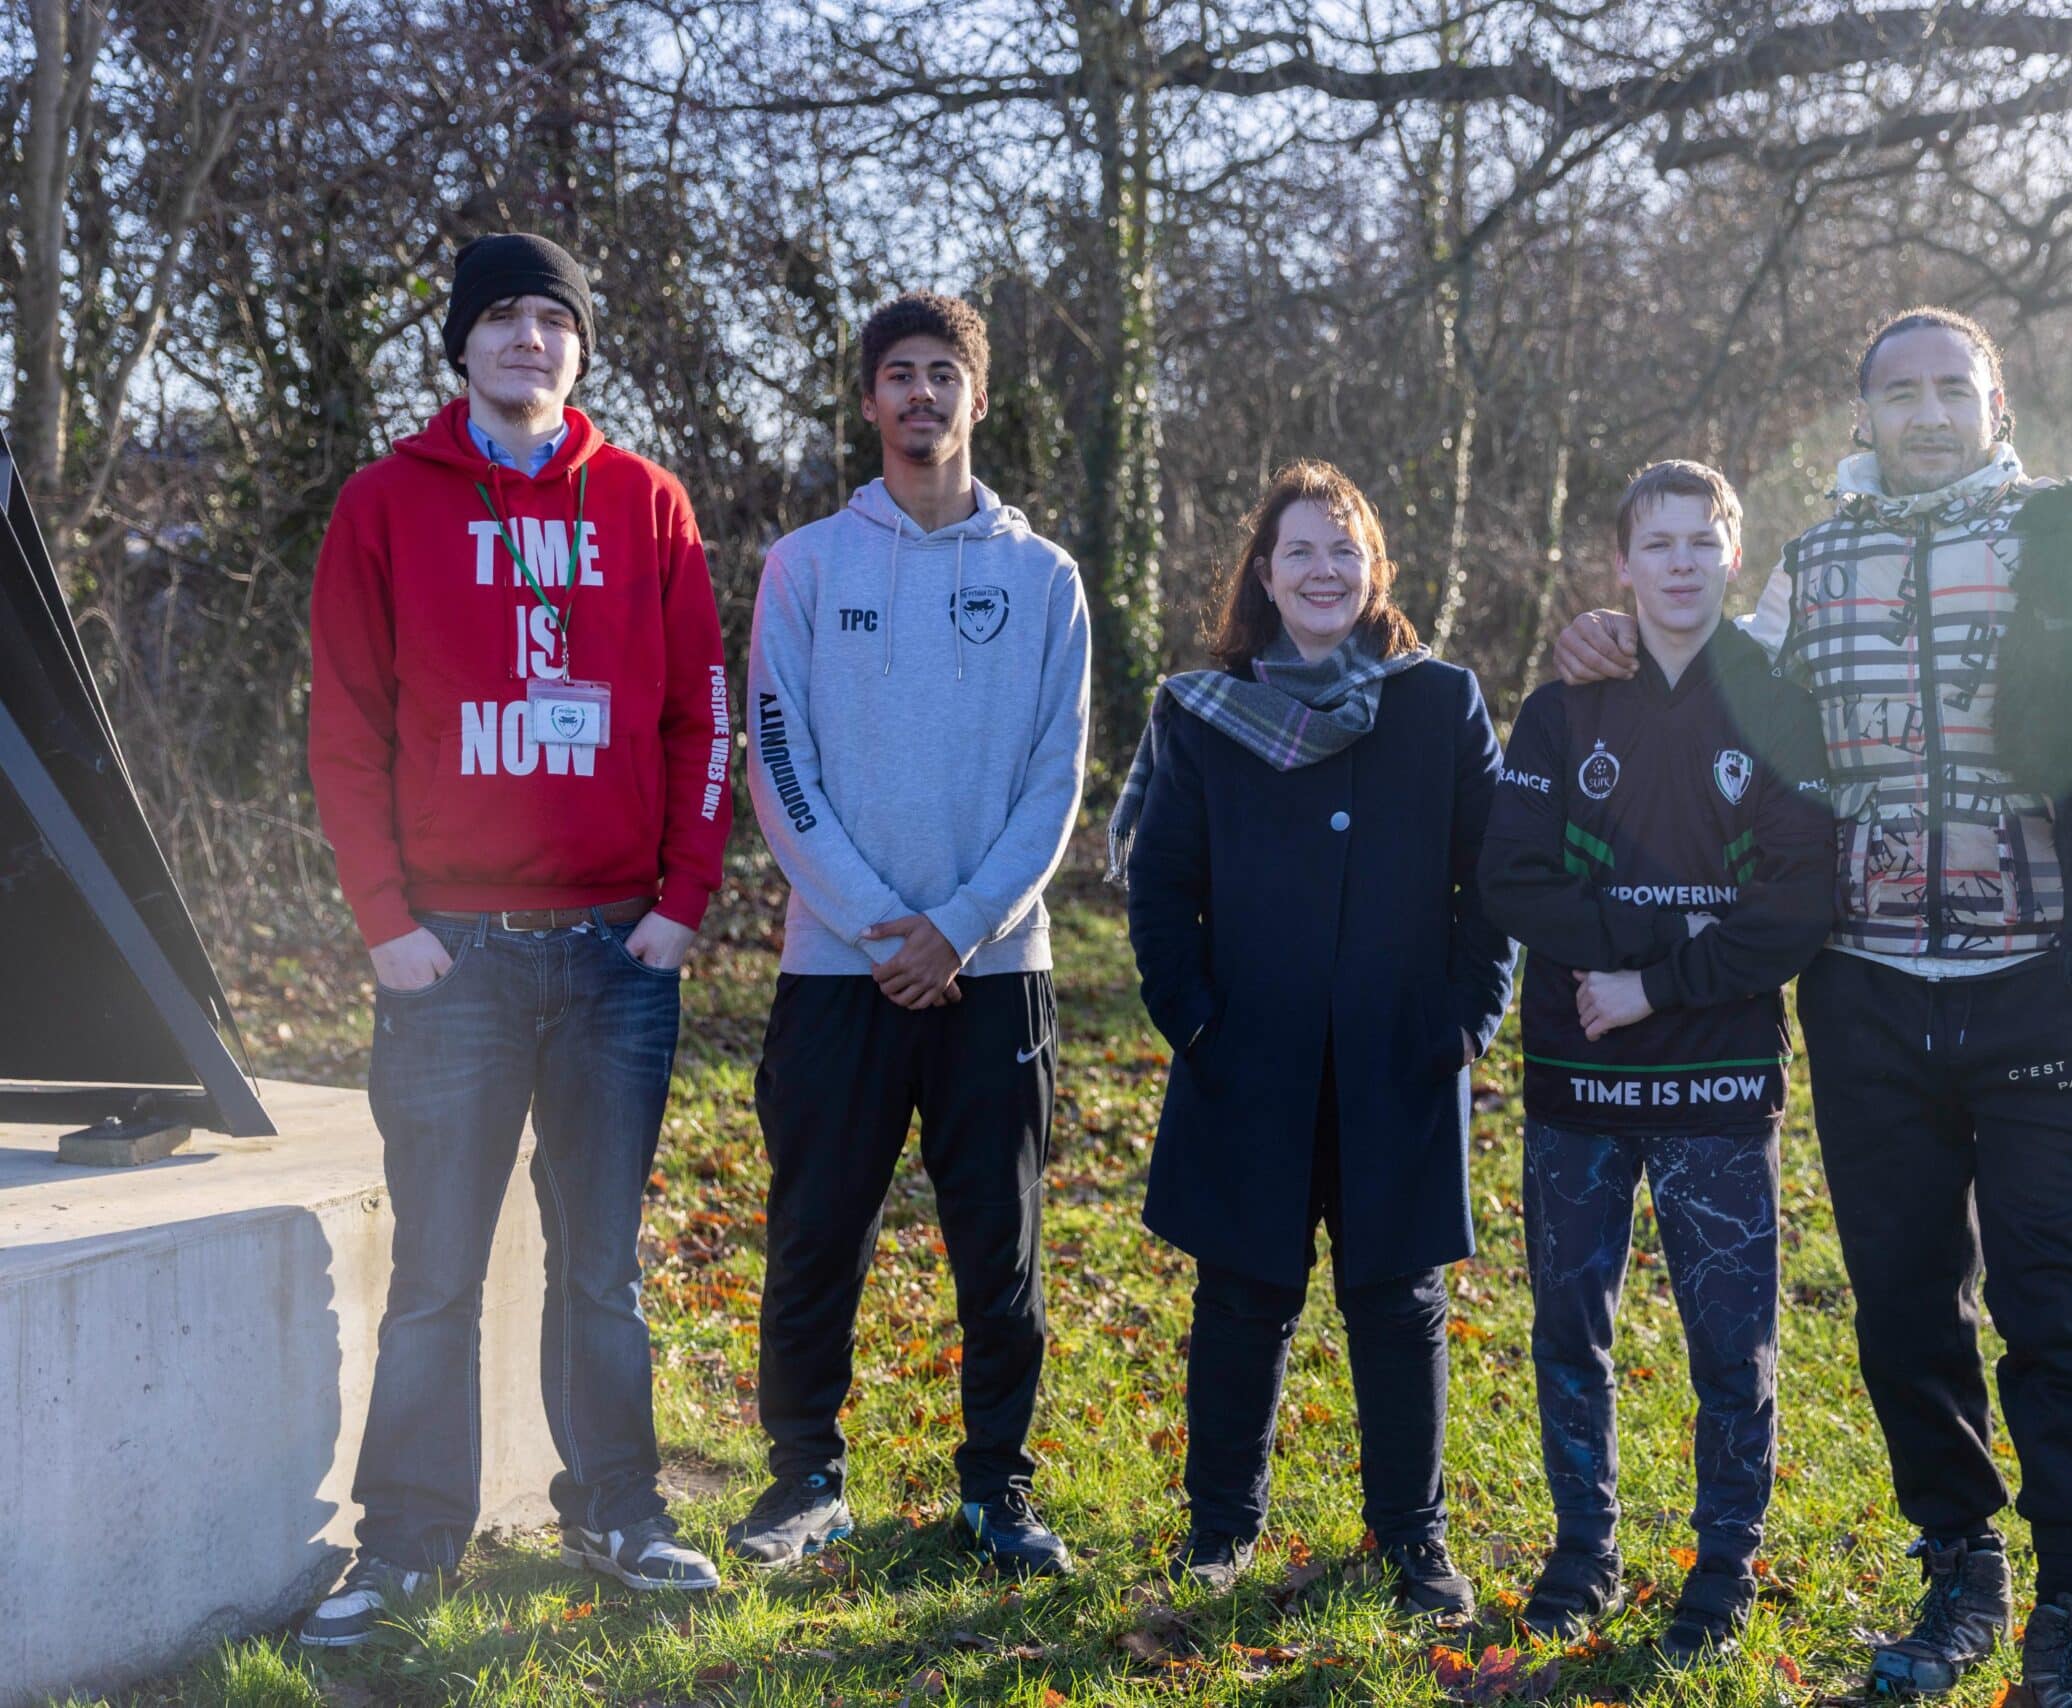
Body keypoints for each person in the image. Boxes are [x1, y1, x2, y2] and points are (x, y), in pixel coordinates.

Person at [1552, 309, 2072, 1707]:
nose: (1930, 412)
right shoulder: (1815, 566)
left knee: (2065, 1312)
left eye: (1955, 388)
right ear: (1864, 418)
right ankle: (1959, 1573)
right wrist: (1608, 641)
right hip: (1869, 995)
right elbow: (1712, 702)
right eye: (1903, 393)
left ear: (1997, 406)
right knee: (1900, 1310)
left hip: (2051, 988)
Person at [302, 232, 735, 1645]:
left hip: (615, 956)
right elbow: (345, 729)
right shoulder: (385, 504)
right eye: (501, 317)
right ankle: (408, 1546)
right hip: (453, 962)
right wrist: (386, 925)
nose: (529, 341)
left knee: (598, 1264)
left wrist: (679, 906)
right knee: (436, 1271)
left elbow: (699, 721)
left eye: (554, 320)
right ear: (461, 347)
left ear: (581, 351)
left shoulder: (648, 506)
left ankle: (618, 1509)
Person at [729, 291, 1091, 1577]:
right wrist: (875, 925)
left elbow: (1055, 783)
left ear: (976, 397)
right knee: (817, 1230)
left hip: (996, 972)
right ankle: (803, 1481)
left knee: (1000, 1249)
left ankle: (997, 1488)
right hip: (838, 968)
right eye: (899, 374)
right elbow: (777, 760)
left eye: (944, 373)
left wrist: (952, 930)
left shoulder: (1043, 579)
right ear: (869, 401)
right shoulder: (807, 567)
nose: (921, 395)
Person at [1113, 459, 1514, 1621]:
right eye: (1299, 550)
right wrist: (1192, 1016)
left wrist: (1467, 1017)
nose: (1323, 568)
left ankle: (1412, 1540)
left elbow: (1484, 881)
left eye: (1342, 548)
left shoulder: (1438, 700)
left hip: (1400, 1054)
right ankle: (1220, 1532)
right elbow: (1160, 886)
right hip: (1249, 1055)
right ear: (1264, 575)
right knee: (1241, 1296)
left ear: (1374, 568)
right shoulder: (1205, 711)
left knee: (1399, 1302)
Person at [1479, 461, 1834, 1663]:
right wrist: (1652, 945)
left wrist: (1656, 983)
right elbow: (1513, 877)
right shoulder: (1561, 703)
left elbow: (1798, 905)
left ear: (1732, 557)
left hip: (1723, 1084)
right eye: (1657, 543)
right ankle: (1583, 1553)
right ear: (1620, 564)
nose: (1680, 562)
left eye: (1702, 541)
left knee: (1731, 1345)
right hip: (1577, 1085)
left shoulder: (1776, 702)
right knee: (1569, 1330)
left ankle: (1723, 1565)